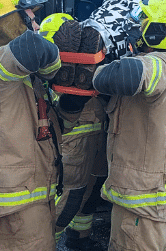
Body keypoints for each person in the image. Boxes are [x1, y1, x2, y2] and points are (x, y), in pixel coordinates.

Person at [0, 0, 83, 250]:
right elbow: (34, 46)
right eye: (31, 17)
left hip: (30, 196)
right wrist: (56, 68)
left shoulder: (20, 75)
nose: (37, 24)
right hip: (15, 202)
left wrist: (74, 102)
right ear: (11, 23)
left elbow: (47, 128)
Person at [92, 0, 166, 251]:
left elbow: (121, 76)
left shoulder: (161, 64)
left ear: (158, 30)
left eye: (143, 22)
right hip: (138, 197)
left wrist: (98, 67)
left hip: (144, 201)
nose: (136, 28)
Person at [39, 13, 108, 251]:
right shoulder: (46, 75)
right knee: (70, 199)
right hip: (72, 141)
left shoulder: (85, 66)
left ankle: (80, 239)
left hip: (97, 136)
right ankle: (46, 243)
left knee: (90, 196)